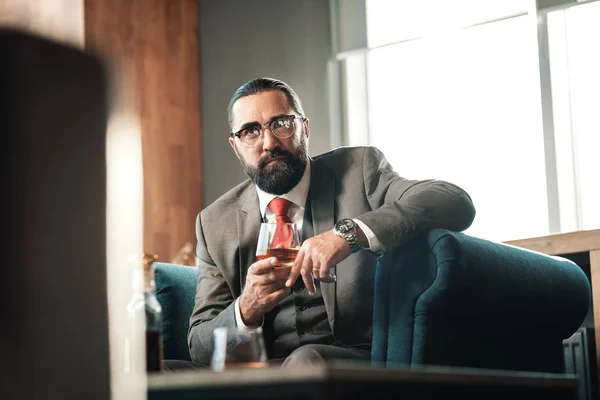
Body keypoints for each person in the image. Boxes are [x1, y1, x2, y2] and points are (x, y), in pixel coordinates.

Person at [186, 77, 476, 368]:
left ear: (305, 128)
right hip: (262, 368)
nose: (269, 143)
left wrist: (348, 234)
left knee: (305, 361)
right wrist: (246, 307)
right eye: (250, 131)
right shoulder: (214, 222)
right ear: (236, 146)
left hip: (350, 361)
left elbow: (452, 200)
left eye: (281, 123)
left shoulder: (359, 171)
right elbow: (198, 345)